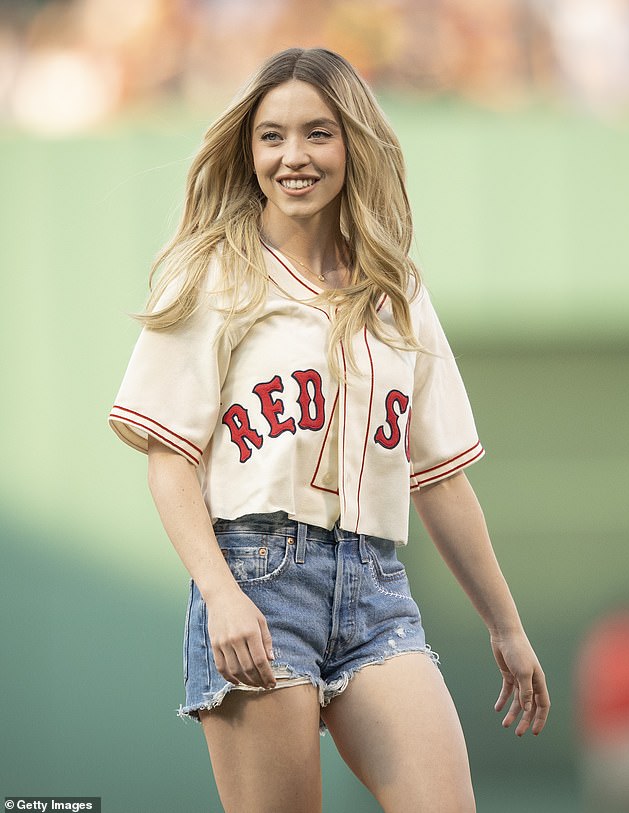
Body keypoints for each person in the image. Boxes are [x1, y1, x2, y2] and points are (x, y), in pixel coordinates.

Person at [108, 47, 550, 813]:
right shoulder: (213, 270)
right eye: (271, 136)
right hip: (258, 576)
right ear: (247, 151)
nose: (294, 156)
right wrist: (219, 592)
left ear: (352, 142)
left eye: (318, 132)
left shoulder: (397, 290)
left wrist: (506, 626)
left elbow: (439, 475)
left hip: (378, 589)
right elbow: (170, 458)